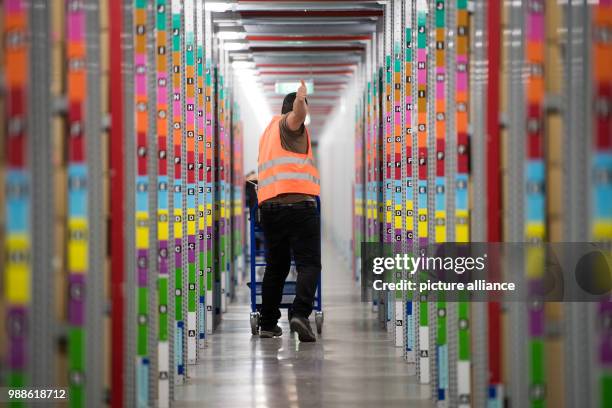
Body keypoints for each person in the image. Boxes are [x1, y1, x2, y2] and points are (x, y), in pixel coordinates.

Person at [257, 79, 320, 342]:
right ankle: (300, 315)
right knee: (309, 263)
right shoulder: (289, 124)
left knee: (276, 266)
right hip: (298, 207)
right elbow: (297, 116)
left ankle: (268, 323)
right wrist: (301, 101)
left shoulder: (268, 132)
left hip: (271, 209)